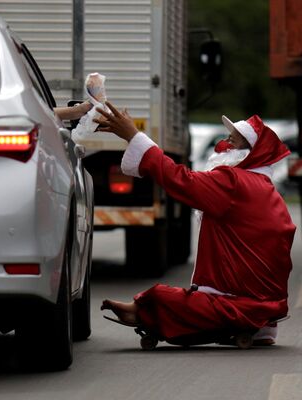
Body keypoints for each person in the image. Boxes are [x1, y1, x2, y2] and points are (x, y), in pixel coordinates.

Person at [95, 101, 296, 345]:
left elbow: (180, 179)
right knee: (168, 297)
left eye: (234, 140)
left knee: (160, 296)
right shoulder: (264, 188)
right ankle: (259, 324)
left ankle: (146, 311)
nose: (225, 144)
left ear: (250, 152)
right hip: (262, 299)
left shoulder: (235, 182)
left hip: (240, 301)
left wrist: (133, 136)